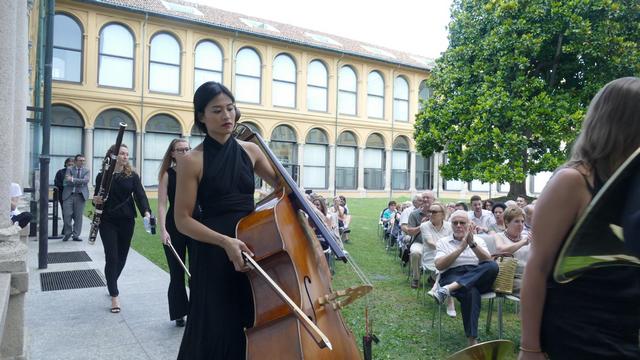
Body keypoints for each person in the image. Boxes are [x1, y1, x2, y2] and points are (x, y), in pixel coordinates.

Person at [519, 77, 640, 359]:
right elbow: (536, 268)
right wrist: (530, 348)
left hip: (623, 331)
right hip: (575, 333)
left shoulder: (631, 184)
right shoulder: (572, 182)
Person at [174, 81, 277, 359]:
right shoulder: (191, 161)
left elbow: (283, 188)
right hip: (212, 252)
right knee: (215, 327)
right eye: (217, 110)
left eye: (230, 108)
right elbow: (182, 220)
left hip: (251, 246)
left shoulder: (251, 151)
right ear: (201, 116)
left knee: (251, 319)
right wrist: (225, 242)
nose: (226, 116)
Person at [93, 144, 151, 314]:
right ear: (113, 155)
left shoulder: (132, 176)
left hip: (126, 220)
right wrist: (95, 199)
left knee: (122, 257)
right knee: (111, 257)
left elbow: (140, 195)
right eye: (122, 153)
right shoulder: (102, 176)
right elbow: (97, 198)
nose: (126, 156)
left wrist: (146, 212)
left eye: (127, 154)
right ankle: (114, 295)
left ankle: (112, 282)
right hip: (107, 220)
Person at [430, 210, 498, 346]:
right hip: (453, 274)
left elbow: (487, 260)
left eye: (462, 223)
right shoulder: (443, 242)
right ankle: (472, 340)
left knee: (492, 266)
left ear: (469, 224)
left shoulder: (479, 240)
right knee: (471, 292)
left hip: (477, 274)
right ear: (451, 225)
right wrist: (461, 248)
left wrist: (472, 244)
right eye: (455, 223)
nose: (459, 226)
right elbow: (439, 265)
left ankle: (448, 289)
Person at [157, 138, 193, 327]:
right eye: (180, 150)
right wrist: (163, 230)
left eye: (187, 149)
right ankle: (179, 312)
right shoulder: (167, 175)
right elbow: (162, 204)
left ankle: (197, 311)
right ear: (172, 153)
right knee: (176, 272)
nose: (185, 152)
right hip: (174, 226)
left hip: (196, 225)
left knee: (197, 270)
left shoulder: (197, 171)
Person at [420, 202, 456, 316]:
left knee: (446, 266)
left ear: (442, 214)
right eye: (429, 211)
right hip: (431, 257)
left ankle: (436, 288)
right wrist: (445, 250)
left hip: (447, 257)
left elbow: (454, 242)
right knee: (447, 268)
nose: (431, 214)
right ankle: (450, 302)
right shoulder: (424, 225)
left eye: (434, 212)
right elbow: (430, 243)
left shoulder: (450, 226)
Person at [493, 206, 530, 294]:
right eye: (516, 221)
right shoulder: (499, 236)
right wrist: (522, 243)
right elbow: (501, 249)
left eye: (522, 221)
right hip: (509, 278)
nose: (520, 224)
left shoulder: (527, 237)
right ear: (506, 222)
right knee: (532, 288)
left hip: (529, 276)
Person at [405, 191, 435, 288]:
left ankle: (433, 277)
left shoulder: (439, 213)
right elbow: (410, 232)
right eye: (424, 198)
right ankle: (416, 278)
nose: (425, 200)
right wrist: (421, 226)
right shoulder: (414, 214)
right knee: (415, 253)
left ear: (434, 200)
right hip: (419, 242)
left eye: (428, 198)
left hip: (435, 244)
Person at [62, 154, 90, 241]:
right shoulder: (69, 169)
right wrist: (78, 181)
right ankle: (67, 233)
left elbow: (86, 181)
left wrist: (73, 179)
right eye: (80, 160)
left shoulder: (87, 170)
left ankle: (76, 235)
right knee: (67, 215)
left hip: (80, 195)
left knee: (78, 217)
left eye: (83, 160)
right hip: (69, 195)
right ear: (75, 161)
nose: (82, 162)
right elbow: (67, 180)